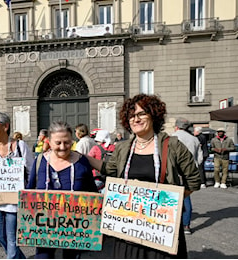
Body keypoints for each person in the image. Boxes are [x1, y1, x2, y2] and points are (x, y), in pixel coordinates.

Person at [87, 94, 200, 258]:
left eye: (141, 114)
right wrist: (83, 158)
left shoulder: (172, 145)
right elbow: (109, 169)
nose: (136, 119)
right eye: (132, 116)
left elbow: (194, 181)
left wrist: (170, 202)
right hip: (128, 228)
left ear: (153, 115)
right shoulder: (123, 147)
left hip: (160, 231)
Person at [26, 121, 97, 258]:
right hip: (44, 227)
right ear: (50, 142)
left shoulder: (82, 163)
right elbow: (29, 193)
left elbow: (93, 194)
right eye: (58, 143)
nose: (63, 147)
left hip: (75, 228)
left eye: (67, 142)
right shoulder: (40, 161)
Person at [0, 111, 34, 259]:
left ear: (5, 126)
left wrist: (28, 196)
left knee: (12, 238)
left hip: (15, 202)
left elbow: (31, 171)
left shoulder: (20, 146)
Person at [172, 118, 203, 235]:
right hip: (190, 172)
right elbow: (200, 158)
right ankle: (186, 225)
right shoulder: (194, 139)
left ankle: (172, 224)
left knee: (171, 198)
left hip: (175, 172)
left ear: (176, 127)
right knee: (186, 197)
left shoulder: (172, 137)